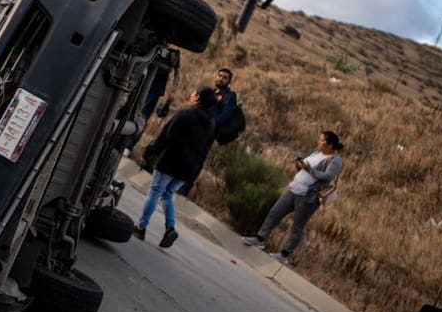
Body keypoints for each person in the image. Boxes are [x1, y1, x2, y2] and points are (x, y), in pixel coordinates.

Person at [133, 86, 218, 248]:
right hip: (188, 167)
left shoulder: (185, 113)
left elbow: (166, 136)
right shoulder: (211, 123)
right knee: (167, 194)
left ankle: (141, 227)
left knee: (155, 191)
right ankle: (170, 228)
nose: (191, 94)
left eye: (194, 92)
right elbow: (205, 150)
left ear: (198, 97)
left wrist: (149, 152)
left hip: (171, 160)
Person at [242, 130, 342, 265]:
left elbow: (327, 177)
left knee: (297, 226)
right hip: (294, 189)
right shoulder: (315, 153)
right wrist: (299, 166)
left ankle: (284, 254)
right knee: (275, 212)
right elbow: (304, 171)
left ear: (330, 145)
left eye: (322, 140)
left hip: (308, 197)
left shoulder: (335, 160)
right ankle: (260, 238)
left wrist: (309, 169)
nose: (318, 142)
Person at [178, 66, 236, 196]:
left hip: (208, 132)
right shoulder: (210, 91)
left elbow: (225, 115)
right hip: (195, 127)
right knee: (185, 153)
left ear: (229, 81)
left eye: (225, 77)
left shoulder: (229, 96)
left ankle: (185, 187)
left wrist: (210, 124)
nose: (221, 79)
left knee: (197, 159)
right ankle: (177, 180)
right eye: (219, 75)